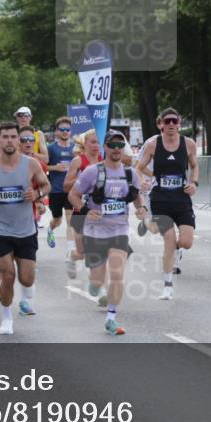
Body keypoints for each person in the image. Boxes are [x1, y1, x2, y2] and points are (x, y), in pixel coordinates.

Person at [0, 122, 51, 334]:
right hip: (0, 229)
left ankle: (27, 288)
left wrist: (37, 195)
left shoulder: (31, 164)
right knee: (7, 273)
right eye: (5, 137)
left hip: (26, 229)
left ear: (18, 139)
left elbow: (46, 186)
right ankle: (6, 317)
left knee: (26, 278)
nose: (9, 140)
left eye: (13, 136)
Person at [68, 130, 145, 335]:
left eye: (121, 145)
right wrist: (85, 211)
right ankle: (94, 287)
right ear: (106, 147)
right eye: (113, 145)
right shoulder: (92, 172)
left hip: (119, 230)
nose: (117, 149)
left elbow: (137, 197)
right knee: (96, 283)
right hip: (94, 232)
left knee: (117, 274)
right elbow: (73, 195)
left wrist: (141, 208)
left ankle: (111, 318)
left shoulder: (131, 173)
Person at [136, 108, 199, 301]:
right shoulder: (154, 145)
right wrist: (144, 180)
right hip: (161, 200)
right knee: (169, 241)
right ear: (161, 124)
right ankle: (167, 285)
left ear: (179, 123)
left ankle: (175, 250)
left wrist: (194, 183)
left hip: (181, 199)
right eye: (167, 121)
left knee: (186, 242)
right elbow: (138, 167)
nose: (171, 125)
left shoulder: (188, 144)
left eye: (174, 121)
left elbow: (195, 165)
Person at [63, 129, 102, 279]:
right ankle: (73, 258)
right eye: (92, 142)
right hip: (80, 210)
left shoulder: (103, 160)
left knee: (97, 248)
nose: (96, 146)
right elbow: (66, 186)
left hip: (98, 212)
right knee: (81, 252)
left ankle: (98, 281)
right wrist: (83, 178)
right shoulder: (78, 161)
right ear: (85, 144)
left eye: (98, 142)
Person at [45, 116, 75, 249]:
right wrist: (54, 167)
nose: (65, 132)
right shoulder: (51, 148)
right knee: (57, 220)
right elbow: (42, 166)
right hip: (55, 190)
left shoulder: (75, 149)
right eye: (62, 129)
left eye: (67, 129)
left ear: (70, 131)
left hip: (71, 190)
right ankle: (50, 229)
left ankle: (70, 250)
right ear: (56, 132)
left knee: (70, 220)